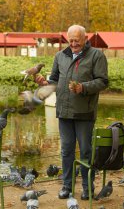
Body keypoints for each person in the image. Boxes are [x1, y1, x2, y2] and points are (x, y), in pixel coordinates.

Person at [36, 25, 108, 200]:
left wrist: (83, 87)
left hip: (85, 113)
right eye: (71, 40)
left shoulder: (96, 55)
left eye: (77, 40)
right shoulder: (60, 56)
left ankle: (87, 187)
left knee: (85, 151)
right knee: (66, 151)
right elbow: (53, 80)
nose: (74, 44)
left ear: (85, 38)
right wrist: (44, 83)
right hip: (64, 112)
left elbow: (103, 81)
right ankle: (67, 186)